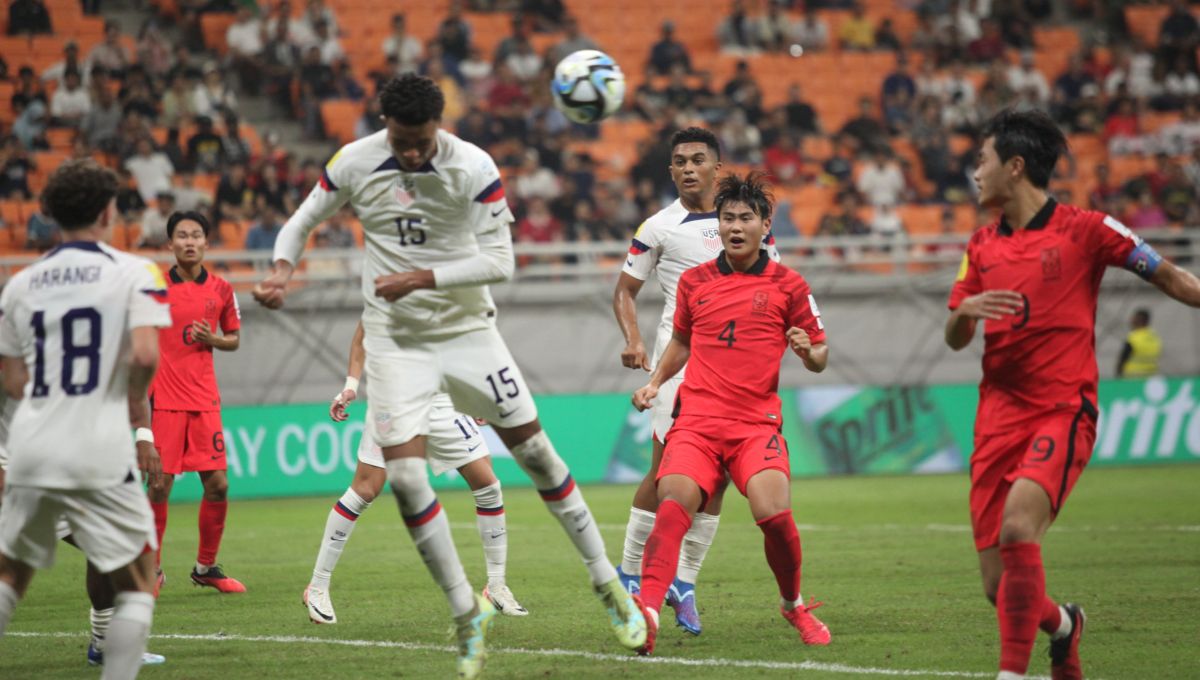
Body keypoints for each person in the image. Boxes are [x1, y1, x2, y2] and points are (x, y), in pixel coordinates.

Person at [251, 74, 646, 679]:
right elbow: (301, 221)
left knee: (538, 457)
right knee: (406, 482)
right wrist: (283, 269)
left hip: (468, 334)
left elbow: (502, 261)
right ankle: (467, 612)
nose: (412, 152)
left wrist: (421, 278)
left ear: (439, 124)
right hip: (396, 345)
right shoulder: (353, 161)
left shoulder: (473, 165)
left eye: (422, 140)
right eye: (401, 140)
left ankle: (606, 584)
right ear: (386, 126)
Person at [945, 109, 1200, 680]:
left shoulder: (1088, 229)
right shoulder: (980, 245)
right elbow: (955, 335)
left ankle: (1011, 674)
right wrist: (964, 312)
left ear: (1015, 166)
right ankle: (1064, 625)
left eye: (982, 161)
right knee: (998, 587)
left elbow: (1168, 275)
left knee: (1019, 528)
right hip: (996, 419)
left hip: (1062, 410)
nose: (976, 173)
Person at [629, 172, 831, 655]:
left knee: (774, 516)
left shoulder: (789, 285)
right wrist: (656, 382)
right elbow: (681, 341)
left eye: (745, 218)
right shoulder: (695, 282)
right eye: (727, 218)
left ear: (765, 226)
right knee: (672, 503)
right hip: (697, 423)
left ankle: (792, 604)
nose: (735, 227)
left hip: (755, 425)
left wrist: (808, 351)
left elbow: (821, 354)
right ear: (717, 224)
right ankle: (649, 611)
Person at [0, 160, 173, 679]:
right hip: (97, 443)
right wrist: (131, 402)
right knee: (139, 578)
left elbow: (12, 381)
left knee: (10, 577)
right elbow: (145, 355)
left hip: (31, 443)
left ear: (51, 215)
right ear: (107, 212)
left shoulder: (19, 284)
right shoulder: (136, 272)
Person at [613, 127, 780, 636]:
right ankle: (628, 571)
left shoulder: (742, 219)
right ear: (671, 170)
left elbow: (773, 282)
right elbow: (624, 290)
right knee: (668, 469)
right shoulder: (658, 227)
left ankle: (684, 582)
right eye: (680, 161)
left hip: (735, 367)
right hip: (680, 361)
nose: (688, 168)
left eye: (698, 159)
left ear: (717, 167)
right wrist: (634, 339)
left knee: (721, 473)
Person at [304, 321, 527, 624]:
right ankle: (318, 586)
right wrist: (350, 386)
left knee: (488, 486)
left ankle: (497, 586)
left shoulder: (450, 297)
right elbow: (361, 337)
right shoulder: (385, 294)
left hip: (442, 402)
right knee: (365, 490)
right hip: (394, 402)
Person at [146, 211, 244, 595]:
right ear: (170, 243)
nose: (190, 242)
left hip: (204, 400)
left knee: (218, 485)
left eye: (196, 235)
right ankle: (151, 570)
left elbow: (234, 337)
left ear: (206, 242)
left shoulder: (222, 289)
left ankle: (206, 567)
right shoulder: (154, 288)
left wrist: (214, 339)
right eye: (182, 235)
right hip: (165, 400)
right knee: (159, 485)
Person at [1116, 308, 1161, 377]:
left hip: (1132, 376)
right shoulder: (1154, 337)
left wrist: (1118, 374)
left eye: (1134, 318)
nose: (1131, 321)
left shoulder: (1133, 337)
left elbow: (1123, 358)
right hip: (1150, 375)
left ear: (1140, 320)